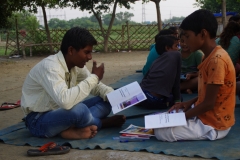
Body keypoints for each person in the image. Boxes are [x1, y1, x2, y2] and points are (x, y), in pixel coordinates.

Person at [21, 27, 126, 140]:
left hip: (64, 113)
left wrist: (115, 96)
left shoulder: (76, 66)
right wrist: (95, 77)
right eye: (86, 52)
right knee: (79, 110)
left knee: (105, 100)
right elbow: (65, 102)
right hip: (38, 120)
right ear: (71, 50)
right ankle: (101, 123)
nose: (90, 57)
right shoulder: (51, 67)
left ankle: (70, 128)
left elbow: (96, 87)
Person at [154, 9, 236, 142]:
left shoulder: (217, 60)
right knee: (164, 117)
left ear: (203, 34)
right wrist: (188, 103)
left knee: (162, 132)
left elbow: (209, 103)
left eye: (186, 36)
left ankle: (201, 128)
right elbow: (210, 94)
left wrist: (181, 118)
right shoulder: (208, 56)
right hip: (205, 113)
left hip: (215, 124)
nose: (183, 41)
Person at [139, 35, 181, 109]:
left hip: (143, 94)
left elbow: (145, 78)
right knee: (178, 98)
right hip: (154, 100)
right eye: (176, 46)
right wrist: (177, 100)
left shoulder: (156, 60)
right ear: (167, 48)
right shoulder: (176, 55)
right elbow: (176, 82)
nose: (178, 49)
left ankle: (140, 102)